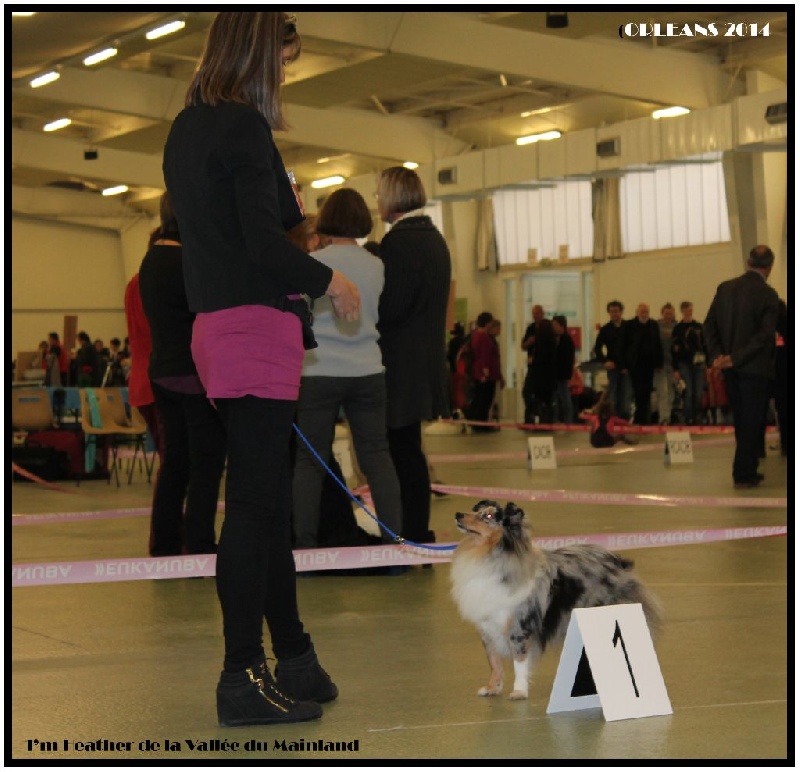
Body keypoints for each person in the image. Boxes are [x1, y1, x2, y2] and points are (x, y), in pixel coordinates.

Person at [162, 12, 360, 727]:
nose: (285, 73)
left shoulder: (186, 129)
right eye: (283, 59)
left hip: (216, 329)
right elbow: (261, 241)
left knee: (266, 502)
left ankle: (295, 656)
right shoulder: (243, 127)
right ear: (257, 53)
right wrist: (330, 279)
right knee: (253, 509)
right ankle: (241, 674)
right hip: (254, 326)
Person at [292, 188, 403, 550]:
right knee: (377, 457)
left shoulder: (314, 262)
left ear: (326, 220)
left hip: (319, 372)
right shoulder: (376, 265)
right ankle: (394, 542)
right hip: (368, 371)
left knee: (310, 461)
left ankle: (305, 545)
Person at [138, 192, 227, 556]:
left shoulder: (150, 260)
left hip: (162, 372)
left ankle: (165, 542)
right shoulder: (189, 262)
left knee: (174, 461)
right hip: (194, 375)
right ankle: (200, 540)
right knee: (207, 462)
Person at [375, 165, 451, 546]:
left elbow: (392, 309)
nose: (377, 200)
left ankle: (411, 530)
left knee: (401, 453)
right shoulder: (435, 240)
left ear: (393, 198)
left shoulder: (398, 244)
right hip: (427, 364)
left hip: (400, 367)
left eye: (379, 193)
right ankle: (417, 527)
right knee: (411, 451)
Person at [703, 245, 780, 489]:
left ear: (748, 262)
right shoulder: (769, 295)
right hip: (754, 368)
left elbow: (709, 325)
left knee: (740, 417)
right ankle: (744, 472)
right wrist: (735, 358)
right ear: (770, 266)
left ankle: (748, 468)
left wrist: (719, 356)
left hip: (730, 369)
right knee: (752, 419)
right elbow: (764, 336)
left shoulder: (725, 288)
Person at [671, 301, 708, 426]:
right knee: (688, 392)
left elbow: (705, 346)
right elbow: (674, 350)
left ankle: (697, 416)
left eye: (690, 310)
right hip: (684, 364)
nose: (689, 312)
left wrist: (708, 364)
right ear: (682, 311)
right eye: (686, 310)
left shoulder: (699, 327)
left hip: (699, 364)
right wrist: (675, 369)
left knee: (699, 393)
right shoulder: (677, 329)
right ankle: (688, 418)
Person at [593, 300, 631, 420]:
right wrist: (605, 361)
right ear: (609, 313)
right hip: (613, 367)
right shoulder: (605, 329)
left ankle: (625, 419)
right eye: (612, 311)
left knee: (626, 394)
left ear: (621, 312)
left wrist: (629, 365)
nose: (614, 314)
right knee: (613, 394)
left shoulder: (629, 327)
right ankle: (613, 418)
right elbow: (597, 348)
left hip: (627, 367)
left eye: (616, 311)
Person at [626, 303, 662, 425]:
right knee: (637, 393)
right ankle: (639, 418)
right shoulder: (629, 325)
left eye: (646, 311)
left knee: (647, 393)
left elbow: (658, 344)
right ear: (637, 312)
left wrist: (658, 364)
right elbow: (624, 345)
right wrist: (625, 364)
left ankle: (645, 419)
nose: (644, 314)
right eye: (642, 311)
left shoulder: (653, 325)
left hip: (649, 365)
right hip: (635, 365)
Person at [521, 304, 557, 425]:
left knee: (541, 396)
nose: (535, 316)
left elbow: (546, 356)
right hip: (535, 369)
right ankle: (533, 417)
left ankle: (543, 418)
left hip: (542, 371)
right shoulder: (530, 328)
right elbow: (523, 345)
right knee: (528, 393)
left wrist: (535, 359)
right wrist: (529, 342)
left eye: (537, 314)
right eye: (533, 314)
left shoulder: (548, 335)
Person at [464, 311, 500, 429]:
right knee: (485, 400)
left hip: (477, 372)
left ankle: (477, 423)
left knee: (479, 398)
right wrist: (485, 371)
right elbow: (484, 355)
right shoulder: (483, 337)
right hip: (485, 374)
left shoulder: (474, 335)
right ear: (487, 323)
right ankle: (481, 424)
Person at [655, 303, 677, 425]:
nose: (668, 316)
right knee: (662, 391)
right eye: (666, 313)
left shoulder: (676, 326)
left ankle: (668, 415)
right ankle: (664, 418)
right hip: (660, 364)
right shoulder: (656, 326)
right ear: (662, 313)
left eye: (670, 314)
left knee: (671, 393)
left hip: (672, 364)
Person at [552, 315, 575, 424]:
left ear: (562, 326)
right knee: (556, 398)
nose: (553, 327)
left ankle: (568, 420)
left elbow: (567, 359)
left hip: (562, 374)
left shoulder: (566, 340)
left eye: (555, 325)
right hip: (556, 374)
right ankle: (556, 419)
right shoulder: (556, 339)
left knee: (565, 397)